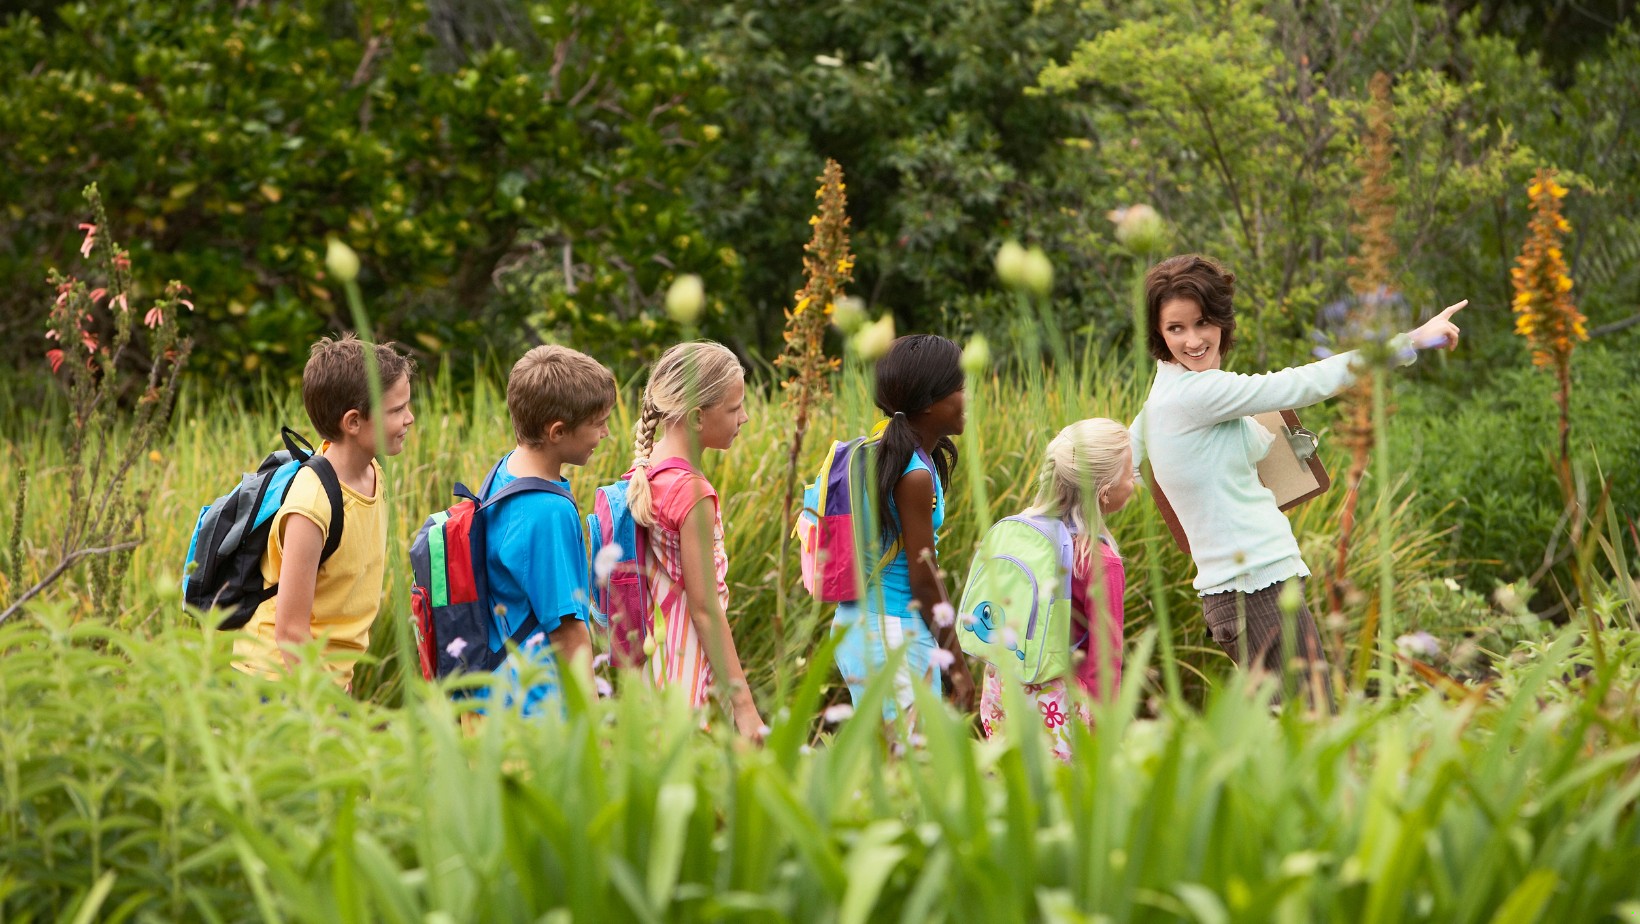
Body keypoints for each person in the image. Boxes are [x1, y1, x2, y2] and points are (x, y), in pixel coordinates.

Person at [1129, 254, 1464, 700]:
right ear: (1159, 333)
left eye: (1203, 322)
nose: (1193, 340)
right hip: (1255, 591)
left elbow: (1121, 455)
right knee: (1315, 728)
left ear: (1222, 321)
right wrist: (1412, 340)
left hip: (1249, 590)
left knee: (1298, 740)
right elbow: (1303, 382)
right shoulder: (1196, 394)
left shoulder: (1166, 393)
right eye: (1176, 328)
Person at [234, 334, 416, 690]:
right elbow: (290, 632)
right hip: (278, 682)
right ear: (353, 422)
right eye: (396, 410)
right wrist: (327, 706)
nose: (409, 418)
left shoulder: (372, 472)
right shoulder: (311, 506)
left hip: (325, 675)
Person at [834, 334, 977, 721]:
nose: (969, 396)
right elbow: (924, 580)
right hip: (892, 632)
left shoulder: (879, 450)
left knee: (888, 765)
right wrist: (957, 666)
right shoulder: (912, 474)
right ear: (930, 402)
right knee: (910, 768)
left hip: (857, 624)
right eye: (961, 386)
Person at [626, 341, 764, 738]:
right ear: (698, 417)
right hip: (690, 668)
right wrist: (745, 707)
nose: (746, 417)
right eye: (735, 408)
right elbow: (705, 611)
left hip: (654, 663)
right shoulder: (692, 493)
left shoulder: (646, 476)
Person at [978, 418, 1134, 760]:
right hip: (1058, 705)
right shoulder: (1099, 560)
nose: (1134, 482)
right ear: (1105, 493)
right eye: (1130, 474)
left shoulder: (1023, 534)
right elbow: (1104, 659)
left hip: (1003, 687)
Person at [481, 345, 615, 717]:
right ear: (557, 431)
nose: (605, 433)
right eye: (599, 423)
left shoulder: (506, 471)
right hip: (539, 705)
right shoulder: (548, 511)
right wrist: (592, 732)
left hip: (498, 688)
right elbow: (569, 633)